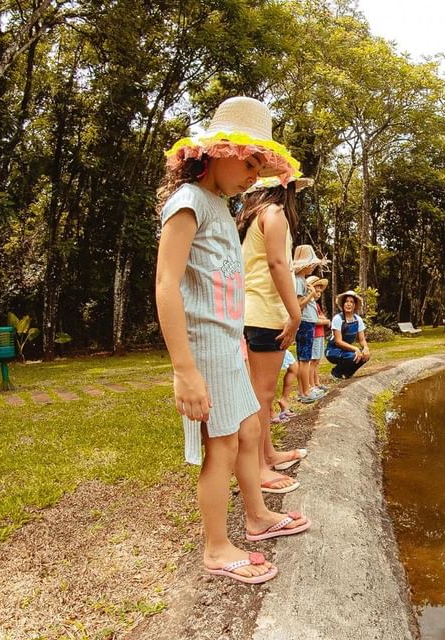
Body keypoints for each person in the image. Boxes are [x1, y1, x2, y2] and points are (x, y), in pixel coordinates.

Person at [155, 96, 309, 584]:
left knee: (246, 432)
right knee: (220, 445)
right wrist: (185, 370)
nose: (252, 174)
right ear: (217, 152)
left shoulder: (221, 206)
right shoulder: (188, 203)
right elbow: (165, 284)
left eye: (259, 165)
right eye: (247, 161)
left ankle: (258, 516)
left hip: (229, 342)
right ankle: (217, 548)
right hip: (204, 346)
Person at [237, 174, 313, 491]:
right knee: (262, 395)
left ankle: (268, 455)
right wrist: (294, 314)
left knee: (261, 393)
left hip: (251, 312)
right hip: (267, 314)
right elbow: (277, 264)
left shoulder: (253, 215)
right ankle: (256, 468)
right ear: (286, 187)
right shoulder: (275, 213)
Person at [292, 245, 328, 403]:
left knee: (303, 359)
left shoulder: (299, 280)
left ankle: (303, 391)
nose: (313, 267)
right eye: (312, 264)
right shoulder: (300, 281)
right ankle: (306, 391)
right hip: (305, 323)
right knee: (305, 359)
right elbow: (298, 304)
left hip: (307, 323)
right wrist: (311, 294)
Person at [325, 289, 371, 379]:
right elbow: (338, 341)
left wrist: (366, 348)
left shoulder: (358, 319)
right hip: (333, 350)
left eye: (351, 302)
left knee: (365, 356)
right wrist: (355, 349)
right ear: (343, 304)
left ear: (355, 305)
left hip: (346, 350)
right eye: (346, 301)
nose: (349, 304)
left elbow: (361, 339)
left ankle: (347, 374)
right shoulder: (338, 319)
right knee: (352, 356)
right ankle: (335, 373)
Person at [306, 275, 330, 391]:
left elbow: (320, 317)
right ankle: (311, 384)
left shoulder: (316, 305)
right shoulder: (309, 304)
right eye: (317, 288)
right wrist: (326, 321)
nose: (319, 291)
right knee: (313, 360)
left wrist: (323, 320)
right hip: (314, 335)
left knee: (317, 360)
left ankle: (317, 382)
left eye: (321, 288)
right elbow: (315, 320)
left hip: (320, 335)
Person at [275, 350, 298, 423]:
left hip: (277, 344)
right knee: (270, 374)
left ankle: (284, 400)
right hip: (267, 343)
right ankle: (270, 413)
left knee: (294, 368)